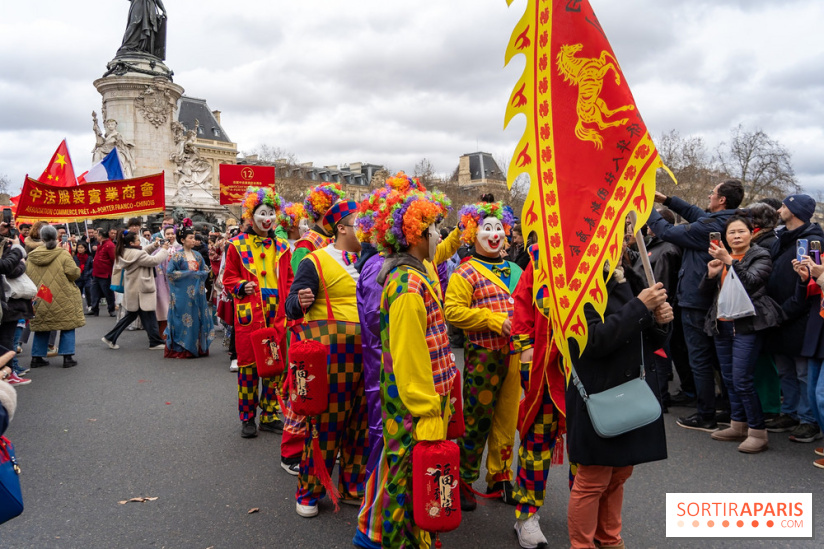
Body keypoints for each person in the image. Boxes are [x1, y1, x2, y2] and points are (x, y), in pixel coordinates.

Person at [355, 188, 454, 549]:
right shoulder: (408, 285)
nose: (439, 236)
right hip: (416, 407)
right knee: (405, 483)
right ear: (416, 235)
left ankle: (370, 534)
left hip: (419, 403)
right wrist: (427, 408)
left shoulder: (413, 272)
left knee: (395, 469)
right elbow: (409, 360)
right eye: (434, 228)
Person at [566, 241, 671, 549]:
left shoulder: (631, 276)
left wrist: (661, 322)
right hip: (598, 391)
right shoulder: (577, 280)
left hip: (631, 389)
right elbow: (592, 340)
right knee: (593, 479)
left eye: (624, 231)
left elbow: (646, 339)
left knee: (619, 473)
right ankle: (582, 545)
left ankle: (610, 539)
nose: (623, 238)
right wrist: (640, 306)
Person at [285, 198, 368, 518]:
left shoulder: (371, 259)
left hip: (369, 353)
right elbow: (291, 305)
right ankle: (309, 490)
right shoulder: (315, 260)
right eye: (359, 222)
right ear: (342, 227)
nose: (365, 228)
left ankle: (352, 484)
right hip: (333, 354)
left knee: (361, 424)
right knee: (326, 425)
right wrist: (300, 300)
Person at [444, 201, 522, 510]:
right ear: (474, 234)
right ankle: (463, 479)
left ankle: (500, 476)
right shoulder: (465, 272)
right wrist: (492, 320)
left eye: (498, 228)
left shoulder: (516, 270)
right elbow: (453, 311)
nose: (494, 234)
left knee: (507, 418)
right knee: (476, 421)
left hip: (514, 355)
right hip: (483, 356)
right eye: (486, 228)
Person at [650, 180, 745, 432]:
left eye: (712, 193)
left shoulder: (711, 225)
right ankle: (727, 409)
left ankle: (706, 414)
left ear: (722, 200)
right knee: (717, 359)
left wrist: (643, 207)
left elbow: (666, 231)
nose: (709, 195)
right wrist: (667, 200)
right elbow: (694, 212)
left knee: (700, 358)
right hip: (713, 299)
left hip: (696, 300)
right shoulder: (728, 221)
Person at [701, 215, 783, 453]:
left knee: (742, 379)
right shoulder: (721, 257)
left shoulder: (760, 255)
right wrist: (710, 274)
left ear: (751, 233)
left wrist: (729, 262)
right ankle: (738, 424)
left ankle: (758, 432)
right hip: (722, 324)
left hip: (747, 325)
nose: (736, 236)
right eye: (731, 233)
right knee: (728, 379)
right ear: (725, 237)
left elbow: (752, 282)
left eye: (741, 232)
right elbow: (707, 292)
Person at [510, 243, 570, 548]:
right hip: (546, 368)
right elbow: (522, 304)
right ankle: (527, 513)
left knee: (590, 450)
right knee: (537, 442)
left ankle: (587, 512)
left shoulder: (608, 255)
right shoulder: (541, 257)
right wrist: (526, 350)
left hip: (592, 367)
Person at [221, 187, 293, 438]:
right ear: (252, 216)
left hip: (277, 315)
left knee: (274, 366)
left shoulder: (283, 246)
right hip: (250, 315)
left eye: (271, 213)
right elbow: (228, 278)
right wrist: (241, 286)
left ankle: (271, 415)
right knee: (249, 368)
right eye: (263, 213)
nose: (267, 218)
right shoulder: (237, 245)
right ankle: (247, 418)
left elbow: (290, 279)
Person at [765, 194, 823, 442]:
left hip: (799, 315)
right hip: (779, 314)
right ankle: (790, 412)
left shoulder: (812, 241)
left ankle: (808, 419)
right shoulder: (781, 238)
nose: (779, 210)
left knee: (802, 373)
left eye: (784, 206)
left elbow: (812, 283)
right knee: (785, 370)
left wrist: (786, 311)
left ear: (796, 211)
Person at [26, 226, 85, 368]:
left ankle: (36, 357)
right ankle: (67, 357)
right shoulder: (63, 254)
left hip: (42, 295)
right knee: (67, 325)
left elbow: (27, 275)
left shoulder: (32, 256)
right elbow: (74, 274)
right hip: (63, 295)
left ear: (42, 238)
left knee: (42, 326)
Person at [101, 231, 169, 350]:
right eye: (138, 240)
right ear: (131, 243)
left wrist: (154, 245)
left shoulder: (125, 251)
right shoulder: (137, 254)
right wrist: (163, 250)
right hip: (142, 288)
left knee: (137, 315)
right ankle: (155, 342)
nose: (140, 241)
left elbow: (142, 253)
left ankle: (111, 337)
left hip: (134, 288)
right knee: (147, 314)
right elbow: (153, 260)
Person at [747, 203, 783, 422]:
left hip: (760, 308)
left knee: (763, 361)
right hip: (759, 307)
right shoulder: (765, 241)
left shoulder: (766, 244)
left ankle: (769, 407)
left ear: (755, 224)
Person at [791, 255, 824, 464]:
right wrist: (804, 279)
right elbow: (807, 297)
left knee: (822, 394)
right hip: (818, 329)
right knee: (812, 394)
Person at [164, 228, 214, 358]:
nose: (194, 240)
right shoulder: (177, 256)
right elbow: (170, 273)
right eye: (190, 238)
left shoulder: (197, 255)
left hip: (197, 294)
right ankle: (182, 348)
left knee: (196, 319)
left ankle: (196, 347)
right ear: (182, 240)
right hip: (181, 296)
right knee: (182, 319)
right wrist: (190, 274)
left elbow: (204, 270)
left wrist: (202, 273)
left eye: (194, 238)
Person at [0, 235, 33, 385]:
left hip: (9, 301)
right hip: (9, 301)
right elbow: (8, 268)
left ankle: (9, 372)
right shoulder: (10, 249)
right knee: (7, 339)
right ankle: (7, 374)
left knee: (8, 338)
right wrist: (18, 250)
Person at [88, 227, 117, 317]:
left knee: (108, 293)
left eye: (97, 234)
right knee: (94, 292)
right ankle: (94, 308)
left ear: (100, 236)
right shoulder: (101, 245)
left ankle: (111, 309)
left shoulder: (110, 245)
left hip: (105, 273)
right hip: (97, 273)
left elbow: (114, 259)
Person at [154, 226, 177, 338]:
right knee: (163, 308)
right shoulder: (157, 250)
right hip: (161, 283)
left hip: (176, 283)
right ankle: (163, 334)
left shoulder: (179, 249)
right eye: (168, 234)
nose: (170, 236)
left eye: (172, 233)